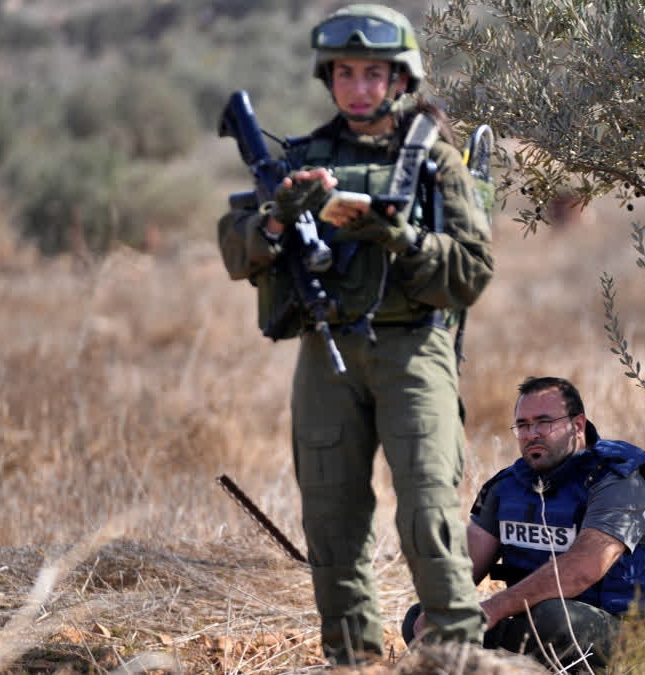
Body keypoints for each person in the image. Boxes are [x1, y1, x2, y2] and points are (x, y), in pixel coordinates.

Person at [216, 4, 494, 665]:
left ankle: (456, 655)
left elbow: (472, 271)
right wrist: (279, 220)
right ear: (328, 78)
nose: (359, 87)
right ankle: (353, 657)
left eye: (374, 73)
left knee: (427, 514)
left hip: (415, 349)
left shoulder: (433, 160)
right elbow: (236, 252)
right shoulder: (304, 161)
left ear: (400, 80)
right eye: (345, 73)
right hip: (326, 352)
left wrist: (398, 236)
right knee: (331, 522)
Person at [402, 377, 645, 669]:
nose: (532, 434)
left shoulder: (618, 480)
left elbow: (583, 569)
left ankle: (497, 660)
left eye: (544, 422)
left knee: (553, 618)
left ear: (578, 425)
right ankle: (499, 663)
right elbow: (464, 566)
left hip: (618, 632)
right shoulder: (508, 486)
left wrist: (491, 610)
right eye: (523, 425)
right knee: (422, 617)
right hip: (529, 624)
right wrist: (442, 607)